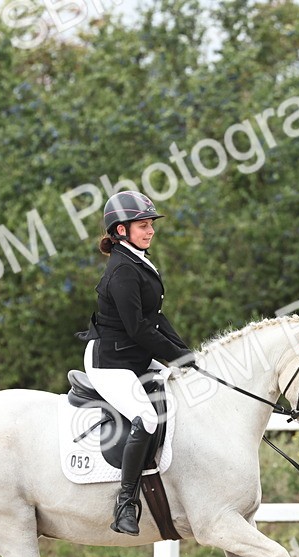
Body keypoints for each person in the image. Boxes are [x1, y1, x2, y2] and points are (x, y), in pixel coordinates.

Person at [76, 190, 196, 535]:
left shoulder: (139, 261)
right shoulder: (122, 270)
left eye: (150, 225)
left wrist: (188, 356)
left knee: (184, 390)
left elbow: (155, 318)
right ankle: (125, 502)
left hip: (135, 357)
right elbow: (139, 328)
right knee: (144, 416)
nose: (151, 231)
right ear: (122, 230)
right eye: (143, 225)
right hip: (110, 362)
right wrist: (176, 357)